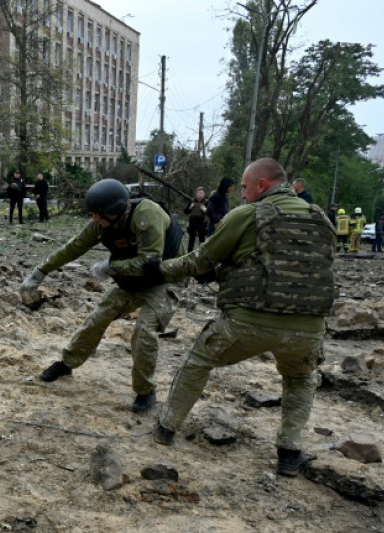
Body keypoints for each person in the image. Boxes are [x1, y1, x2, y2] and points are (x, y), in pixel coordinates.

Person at [143, 158, 336, 477]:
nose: (243, 194)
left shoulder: (247, 214)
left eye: (245, 187)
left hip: (248, 323)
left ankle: (166, 428)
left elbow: (200, 259)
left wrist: (159, 269)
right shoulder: (321, 218)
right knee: (300, 379)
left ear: (262, 185)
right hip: (309, 329)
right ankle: (289, 453)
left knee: (198, 361)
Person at [20, 179, 183, 413]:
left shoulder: (146, 215)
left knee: (144, 332)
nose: (94, 219)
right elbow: (74, 246)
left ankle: (145, 390)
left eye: (97, 214)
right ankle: (67, 363)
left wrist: (111, 266)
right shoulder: (104, 221)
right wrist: (40, 272)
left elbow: (150, 262)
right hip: (133, 280)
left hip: (165, 279)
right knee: (97, 318)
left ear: (114, 210)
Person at [184, 187, 208, 252]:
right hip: (192, 222)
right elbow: (185, 212)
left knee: (202, 240)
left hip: (201, 223)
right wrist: (190, 207)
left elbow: (210, 213)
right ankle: (189, 254)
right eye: (198, 193)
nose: (200, 194)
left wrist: (205, 210)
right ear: (196, 194)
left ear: (204, 194)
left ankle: (201, 254)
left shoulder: (206, 202)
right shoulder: (192, 201)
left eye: (201, 193)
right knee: (191, 240)